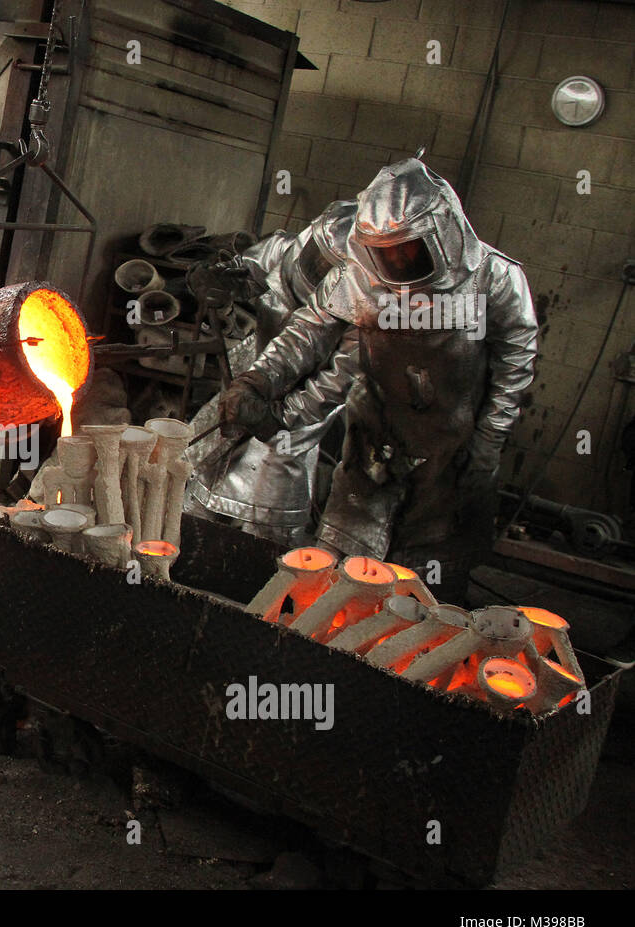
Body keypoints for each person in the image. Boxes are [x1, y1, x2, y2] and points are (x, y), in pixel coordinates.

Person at [219, 158, 537, 600]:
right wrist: (258, 382)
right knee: (339, 580)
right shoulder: (361, 277)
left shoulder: (495, 279)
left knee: (424, 595)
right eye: (385, 252)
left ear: (442, 233)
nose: (396, 262)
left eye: (407, 249)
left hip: (452, 454)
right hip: (373, 445)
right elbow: (308, 333)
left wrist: (487, 442)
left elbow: (516, 362)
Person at [187, 201, 360, 546]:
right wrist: (214, 279)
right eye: (317, 259)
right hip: (250, 374)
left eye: (330, 268)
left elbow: (332, 388)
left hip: (294, 414)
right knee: (197, 481)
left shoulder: (360, 315)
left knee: (264, 525)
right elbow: (241, 272)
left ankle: (256, 585)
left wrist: (272, 418)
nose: (319, 269)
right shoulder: (284, 251)